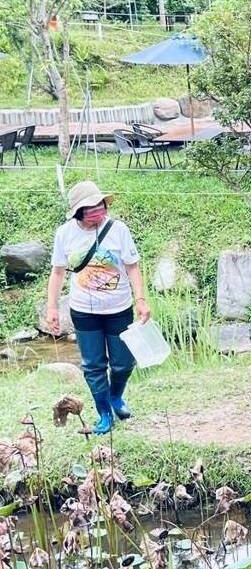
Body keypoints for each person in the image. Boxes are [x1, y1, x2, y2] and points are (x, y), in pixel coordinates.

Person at [47, 181, 150, 435]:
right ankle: (104, 412)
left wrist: (140, 300)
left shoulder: (118, 230)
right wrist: (52, 307)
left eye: (99, 205)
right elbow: (58, 272)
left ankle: (116, 396)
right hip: (83, 311)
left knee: (123, 363)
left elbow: (132, 266)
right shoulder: (65, 234)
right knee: (93, 365)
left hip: (119, 308)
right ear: (78, 212)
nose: (97, 211)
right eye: (89, 207)